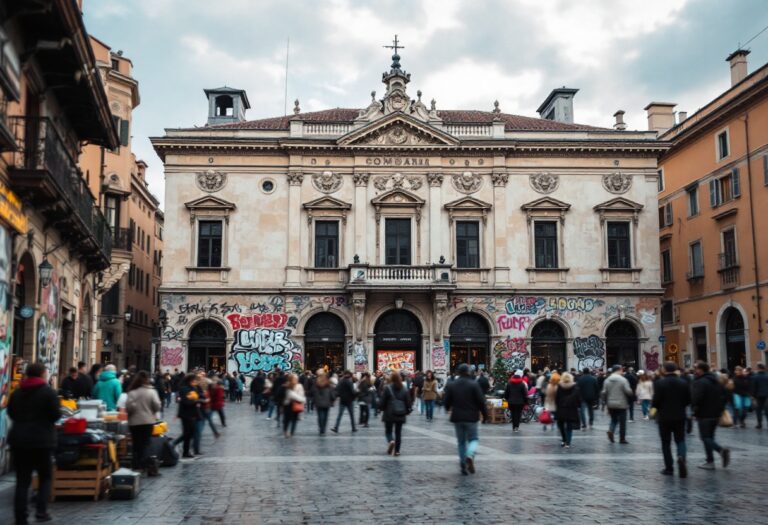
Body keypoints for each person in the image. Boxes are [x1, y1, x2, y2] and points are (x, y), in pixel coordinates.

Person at [8, 363, 59, 524]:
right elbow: (56, 415)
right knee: (45, 477)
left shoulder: (17, 392)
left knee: (22, 481)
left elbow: (11, 412)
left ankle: (20, 516)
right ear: (42, 374)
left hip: (20, 441)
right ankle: (41, 511)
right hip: (42, 441)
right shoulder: (48, 392)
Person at [443, 363, 488, 475]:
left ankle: (463, 463)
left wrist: (448, 408)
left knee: (461, 442)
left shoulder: (453, 385)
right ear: (469, 372)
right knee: (473, 439)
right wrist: (485, 415)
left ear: (458, 372)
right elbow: (481, 402)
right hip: (472, 417)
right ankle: (470, 454)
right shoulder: (474, 385)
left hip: (457, 417)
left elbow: (446, 401)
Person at [651, 362, 690, 478]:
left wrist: (654, 410)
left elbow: (655, 401)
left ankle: (669, 468)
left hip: (664, 417)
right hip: (680, 416)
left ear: (664, 370)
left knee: (666, 443)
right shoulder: (683, 383)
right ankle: (681, 457)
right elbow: (688, 400)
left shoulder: (659, 383)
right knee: (680, 440)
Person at [691, 361, 730, 470]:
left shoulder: (700, 382)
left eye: (695, 368)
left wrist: (694, 410)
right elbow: (726, 395)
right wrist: (720, 409)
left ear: (701, 369)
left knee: (705, 437)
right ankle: (710, 461)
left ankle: (720, 451)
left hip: (704, 414)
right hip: (716, 414)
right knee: (710, 437)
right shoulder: (716, 380)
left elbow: (696, 398)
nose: (694, 370)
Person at [125, 371, 162, 475]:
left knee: (136, 443)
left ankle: (137, 465)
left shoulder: (132, 392)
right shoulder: (151, 392)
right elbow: (157, 406)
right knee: (146, 443)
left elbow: (128, 408)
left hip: (134, 422)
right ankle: (146, 464)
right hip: (148, 421)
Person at [379, 371, 411, 455]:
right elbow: (408, 402)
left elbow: (383, 401)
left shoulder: (387, 388)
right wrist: (407, 411)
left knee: (388, 431)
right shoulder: (404, 389)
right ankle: (397, 451)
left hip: (389, 413)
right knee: (398, 433)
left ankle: (391, 441)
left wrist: (381, 408)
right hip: (400, 414)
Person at [601, 365, 632, 444]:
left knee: (614, 419)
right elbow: (628, 391)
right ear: (619, 370)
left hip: (610, 403)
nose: (622, 371)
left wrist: (604, 403)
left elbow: (603, 392)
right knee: (622, 422)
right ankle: (622, 439)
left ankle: (611, 430)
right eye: (622, 370)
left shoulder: (607, 380)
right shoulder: (623, 380)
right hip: (622, 403)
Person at [177, 374, 202, 458]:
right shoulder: (184, 389)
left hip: (192, 414)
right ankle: (185, 451)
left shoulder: (193, 388)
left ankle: (186, 451)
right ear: (190, 381)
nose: (196, 382)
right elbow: (185, 402)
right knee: (187, 433)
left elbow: (198, 395)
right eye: (194, 381)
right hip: (186, 414)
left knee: (190, 433)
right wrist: (196, 401)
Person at [554, 372, 581, 448]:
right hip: (571, 409)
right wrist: (578, 406)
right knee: (569, 426)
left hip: (560, 408)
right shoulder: (575, 386)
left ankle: (563, 440)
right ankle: (568, 443)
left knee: (561, 426)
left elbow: (556, 398)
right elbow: (578, 398)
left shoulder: (559, 386)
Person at [282, 373, 306, 438]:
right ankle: (285, 431)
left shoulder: (299, 386)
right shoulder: (287, 385)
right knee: (287, 419)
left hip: (295, 404)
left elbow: (301, 395)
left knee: (294, 419)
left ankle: (292, 432)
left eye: (296, 379)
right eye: (294, 379)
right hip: (288, 405)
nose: (295, 380)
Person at [752, 363, 768, 429]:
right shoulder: (767, 376)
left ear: (758, 368)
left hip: (758, 396)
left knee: (758, 410)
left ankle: (759, 424)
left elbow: (753, 387)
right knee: (767, 411)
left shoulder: (755, 377)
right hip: (767, 395)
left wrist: (753, 396)